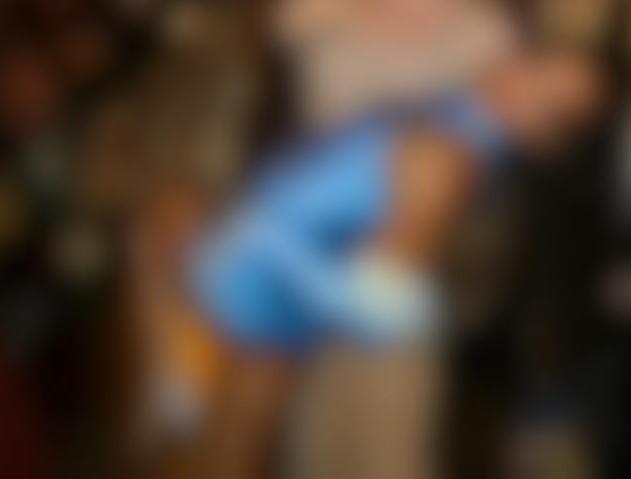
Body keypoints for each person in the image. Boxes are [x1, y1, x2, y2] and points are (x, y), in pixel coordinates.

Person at [189, 48, 602, 478]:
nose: (532, 97)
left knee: (279, 436)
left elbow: (389, 271)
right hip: (295, 294)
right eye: (539, 74)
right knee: (277, 436)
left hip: (309, 298)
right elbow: (385, 277)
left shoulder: (454, 134)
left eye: (556, 109)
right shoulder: (448, 137)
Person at [273, 0, 516, 477]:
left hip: (411, 261)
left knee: (393, 448)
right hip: (314, 254)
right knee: (317, 446)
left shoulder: (482, 23)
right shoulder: (315, 2)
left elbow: (488, 158)